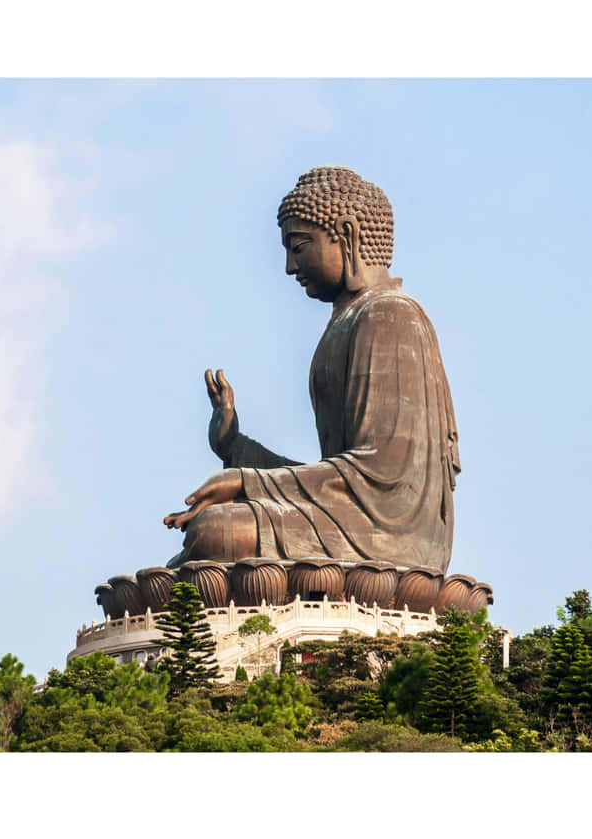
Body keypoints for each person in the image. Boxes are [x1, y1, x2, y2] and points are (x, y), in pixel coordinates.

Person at [164, 166, 460, 573]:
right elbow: (341, 479)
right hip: (347, 518)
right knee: (189, 553)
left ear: (348, 233)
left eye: (299, 246)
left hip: (388, 538)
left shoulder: (389, 316)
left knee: (215, 532)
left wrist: (249, 481)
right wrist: (235, 448)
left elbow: (381, 480)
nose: (289, 266)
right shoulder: (349, 320)